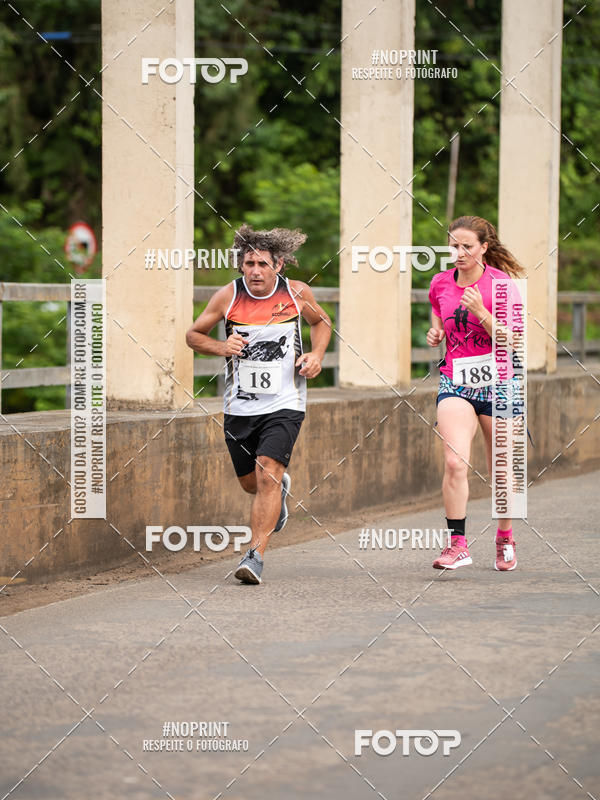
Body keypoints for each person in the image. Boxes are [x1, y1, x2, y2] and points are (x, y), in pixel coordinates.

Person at [186, 224, 331, 584]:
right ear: (240, 266)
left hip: (286, 401)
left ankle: (255, 556)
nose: (255, 271)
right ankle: (279, 491)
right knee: (251, 484)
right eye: (249, 263)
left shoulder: (297, 293)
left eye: (263, 264)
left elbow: (322, 322)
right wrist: (222, 347)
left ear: (278, 265)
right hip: (240, 407)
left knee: (268, 470)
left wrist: (316, 354)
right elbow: (193, 335)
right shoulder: (228, 296)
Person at [426, 215, 525, 572]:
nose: (459, 252)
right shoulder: (440, 282)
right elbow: (437, 310)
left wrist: (481, 312)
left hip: (500, 384)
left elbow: (514, 339)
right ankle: (458, 545)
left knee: (502, 470)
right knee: (455, 462)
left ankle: (504, 537)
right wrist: (436, 332)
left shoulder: (501, 284)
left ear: (484, 247)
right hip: (456, 381)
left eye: (467, 246)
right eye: (454, 245)